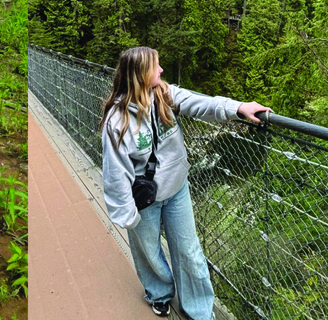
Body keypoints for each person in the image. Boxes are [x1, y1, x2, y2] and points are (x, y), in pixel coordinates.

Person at [99, 47, 271, 319]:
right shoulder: (117, 120)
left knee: (189, 252)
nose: (161, 70)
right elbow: (114, 172)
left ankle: (199, 311)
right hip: (143, 200)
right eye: (156, 66)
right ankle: (159, 293)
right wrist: (126, 214)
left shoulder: (166, 95)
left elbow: (202, 103)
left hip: (177, 189)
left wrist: (238, 108)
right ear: (142, 74)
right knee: (149, 253)